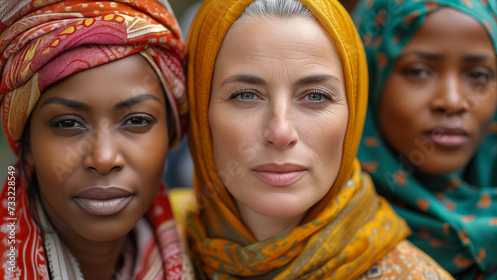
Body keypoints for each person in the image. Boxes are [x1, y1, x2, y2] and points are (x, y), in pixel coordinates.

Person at [183, 0, 453, 278]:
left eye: (315, 96)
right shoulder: (158, 248)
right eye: (246, 95)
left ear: (354, 111)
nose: (281, 132)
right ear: (200, 109)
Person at [0, 0, 193, 279]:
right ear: (27, 143)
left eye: (137, 121)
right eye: (67, 124)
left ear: (171, 131)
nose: (103, 159)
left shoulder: (208, 253)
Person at [352, 0, 497, 278]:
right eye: (418, 71)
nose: (453, 102)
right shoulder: (308, 232)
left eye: (478, 74)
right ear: (369, 76)